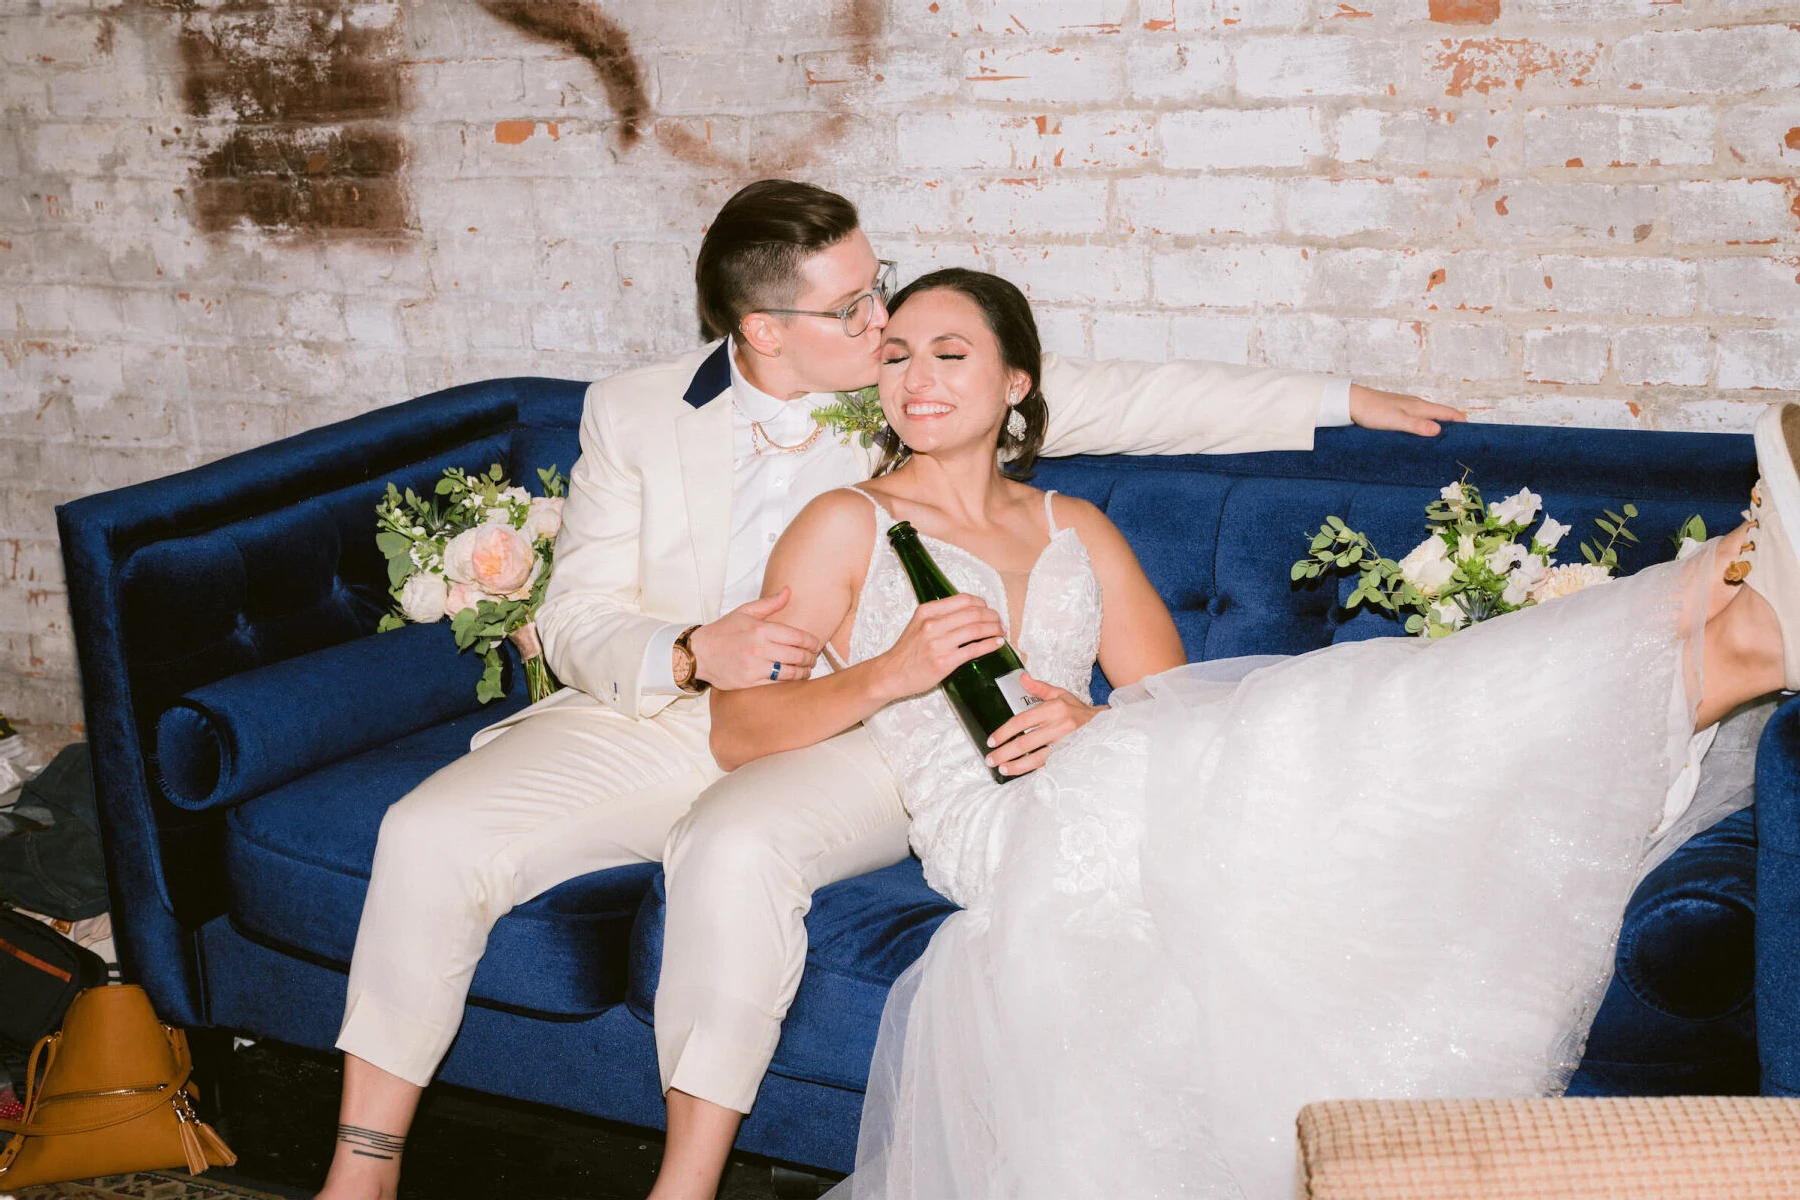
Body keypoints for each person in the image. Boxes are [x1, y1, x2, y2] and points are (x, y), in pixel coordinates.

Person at [314, 181, 1460, 1200]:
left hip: (856, 726)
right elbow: (577, 616)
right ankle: (361, 1170)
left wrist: (1342, 398)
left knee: (738, 846)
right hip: (656, 709)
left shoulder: (912, 386)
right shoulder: (633, 411)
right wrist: (688, 651)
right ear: (765, 329)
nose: (885, 326)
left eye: (886, 295)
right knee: (427, 834)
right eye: (858, 308)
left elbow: (1140, 396)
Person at [710, 266, 1790, 1199]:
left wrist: (1093, 718)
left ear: (1017, 385)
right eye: (895, 356)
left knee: (1319, 738)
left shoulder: (1070, 523)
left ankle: (1734, 623)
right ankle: (1729, 614)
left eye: (950, 354)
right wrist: (892, 673)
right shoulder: (850, 521)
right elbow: (740, 725)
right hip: (1002, 827)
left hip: (1113, 772)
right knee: (1338, 747)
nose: (916, 378)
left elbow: (1182, 699)